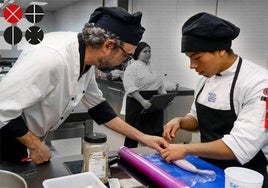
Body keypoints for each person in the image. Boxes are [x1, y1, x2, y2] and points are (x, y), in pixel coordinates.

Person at [0, 6, 169, 165]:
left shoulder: (87, 60)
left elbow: (99, 108)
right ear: (108, 46)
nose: (124, 63)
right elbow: (2, 107)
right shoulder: (51, 58)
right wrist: (35, 145)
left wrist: (144, 138)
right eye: (126, 56)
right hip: (8, 134)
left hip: (25, 136)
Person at [160, 12, 268, 187]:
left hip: (244, 177)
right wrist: (180, 121)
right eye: (189, 58)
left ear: (221, 50)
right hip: (208, 170)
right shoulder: (205, 79)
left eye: (197, 58)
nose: (192, 66)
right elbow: (196, 119)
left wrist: (186, 148)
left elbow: (239, 146)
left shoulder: (258, 82)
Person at [121, 42, 166, 148]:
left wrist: (164, 99)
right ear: (137, 53)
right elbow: (130, 87)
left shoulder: (152, 68)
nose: (148, 54)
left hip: (153, 103)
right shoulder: (132, 68)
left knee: (155, 131)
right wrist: (142, 101)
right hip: (137, 102)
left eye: (149, 51)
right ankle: (128, 157)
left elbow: (160, 84)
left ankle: (157, 155)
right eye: (144, 51)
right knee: (133, 133)